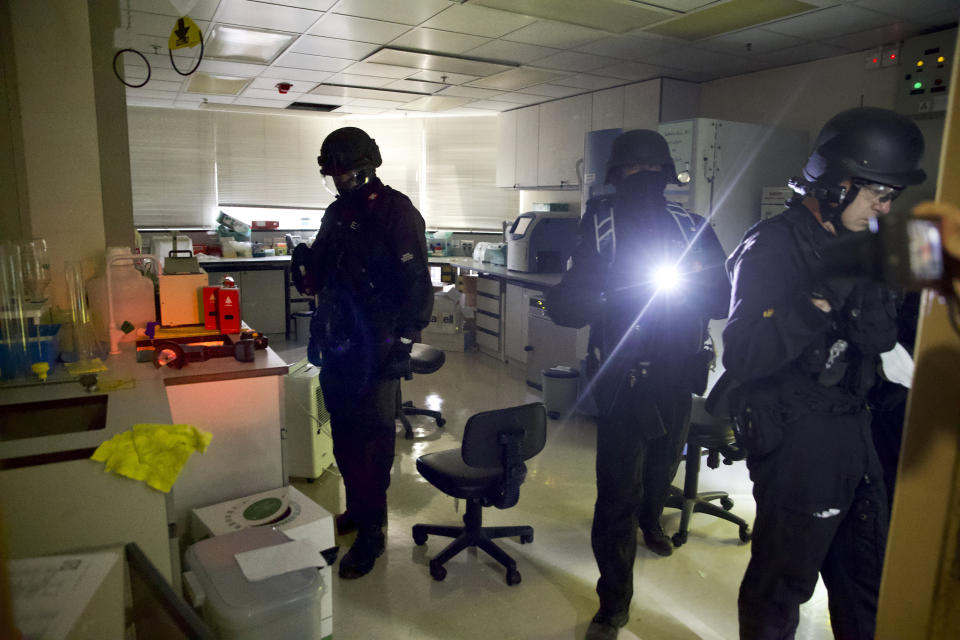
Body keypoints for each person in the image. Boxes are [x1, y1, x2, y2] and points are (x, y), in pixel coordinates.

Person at [721, 107, 926, 638]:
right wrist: (822, 293)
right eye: (877, 194)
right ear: (836, 185)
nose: (884, 207)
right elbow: (744, 354)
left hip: (858, 429)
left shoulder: (871, 241)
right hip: (797, 434)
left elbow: (896, 329)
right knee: (781, 586)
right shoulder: (772, 245)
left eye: (890, 197)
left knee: (866, 580)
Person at [547, 129, 730, 640]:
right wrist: (596, 300)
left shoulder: (691, 226)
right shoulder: (601, 225)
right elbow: (571, 303)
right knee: (618, 493)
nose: (643, 182)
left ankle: (651, 524)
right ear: (625, 176)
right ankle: (615, 601)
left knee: (654, 472)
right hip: (626, 376)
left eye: (648, 174)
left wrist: (687, 287)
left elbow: (720, 298)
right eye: (639, 174)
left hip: (673, 372)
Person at [296, 126, 433, 579]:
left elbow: (416, 289)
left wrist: (405, 344)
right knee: (343, 436)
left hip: (379, 346)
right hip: (339, 342)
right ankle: (357, 508)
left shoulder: (396, 212)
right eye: (332, 175)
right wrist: (304, 268)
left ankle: (373, 532)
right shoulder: (336, 214)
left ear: (367, 167)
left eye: (346, 173)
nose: (338, 182)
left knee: (372, 443)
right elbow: (321, 273)